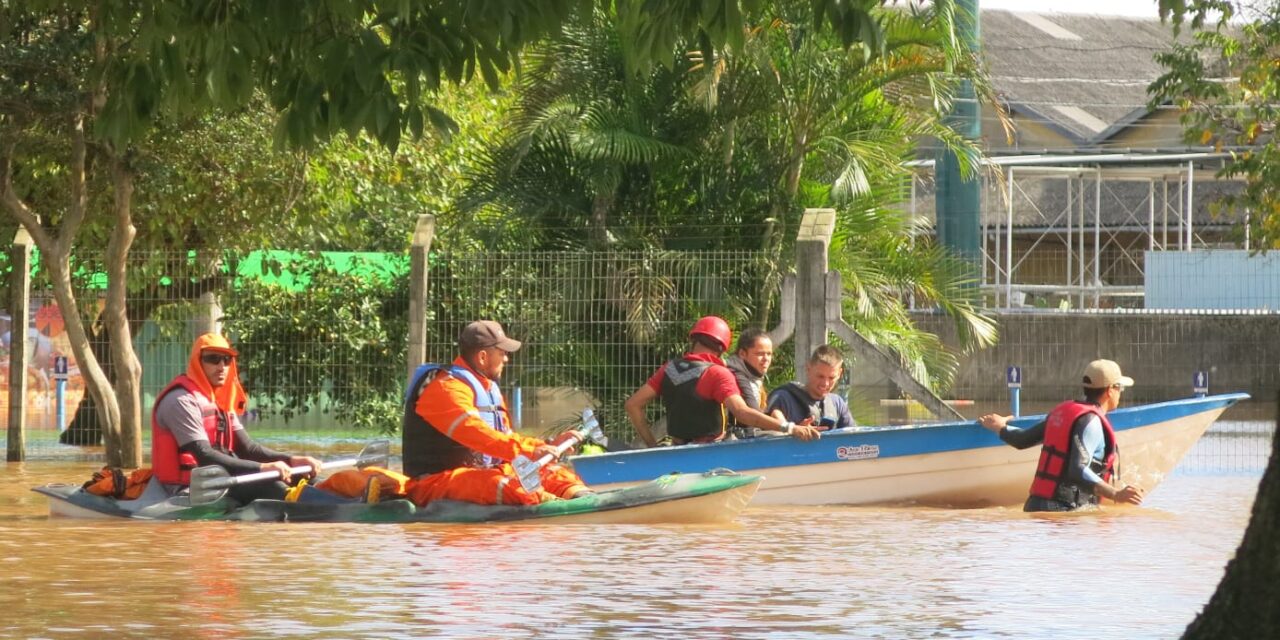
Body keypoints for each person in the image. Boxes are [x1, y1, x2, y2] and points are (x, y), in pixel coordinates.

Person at [151, 333, 357, 504]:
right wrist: (262, 468)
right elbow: (204, 455)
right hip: (191, 485)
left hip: (224, 474)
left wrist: (292, 460)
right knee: (269, 482)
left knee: (300, 476)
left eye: (226, 360)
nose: (221, 366)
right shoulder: (180, 400)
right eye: (213, 359)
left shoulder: (220, 401)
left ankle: (356, 497)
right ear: (198, 362)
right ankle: (347, 508)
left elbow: (248, 449)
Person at [402, 320, 591, 506]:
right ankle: (554, 506)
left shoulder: (488, 388)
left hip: (487, 473)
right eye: (502, 353)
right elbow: (477, 434)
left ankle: (586, 501)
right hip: (433, 483)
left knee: (553, 472)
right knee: (510, 487)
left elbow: (505, 438)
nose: (506, 359)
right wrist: (531, 451)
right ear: (483, 357)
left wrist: (546, 445)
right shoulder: (446, 388)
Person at [624, 316, 821, 447]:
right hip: (712, 450)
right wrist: (790, 427)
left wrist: (653, 446)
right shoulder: (718, 374)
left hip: (677, 447)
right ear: (723, 347)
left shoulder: (669, 369)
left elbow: (632, 405)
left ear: (693, 341)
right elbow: (743, 413)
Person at [978, 359, 1145, 512]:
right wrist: (1115, 494)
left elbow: (1022, 440)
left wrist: (1000, 427)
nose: (1120, 393)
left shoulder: (1063, 413)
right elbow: (1077, 470)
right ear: (1110, 390)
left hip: (1035, 505)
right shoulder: (1092, 422)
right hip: (1061, 510)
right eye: (1120, 388)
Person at [766, 344, 856, 431]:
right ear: (808, 369)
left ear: (839, 374)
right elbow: (770, 435)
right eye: (820, 376)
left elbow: (854, 439)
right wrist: (795, 432)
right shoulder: (782, 398)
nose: (825, 383)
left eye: (831, 378)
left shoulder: (838, 404)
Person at [724, 328, 783, 439]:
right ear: (742, 353)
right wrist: (789, 428)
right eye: (760, 354)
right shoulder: (736, 376)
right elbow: (753, 417)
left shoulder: (752, 375)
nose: (766, 359)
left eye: (769, 354)